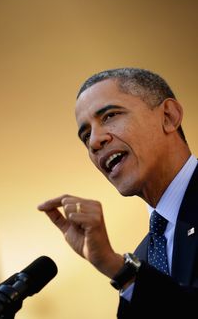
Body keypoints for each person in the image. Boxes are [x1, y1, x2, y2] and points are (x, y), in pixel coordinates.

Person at [38, 68, 198, 318]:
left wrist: (119, 268)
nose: (94, 142)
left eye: (110, 115)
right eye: (86, 135)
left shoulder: (130, 270)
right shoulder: (143, 257)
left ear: (168, 116)